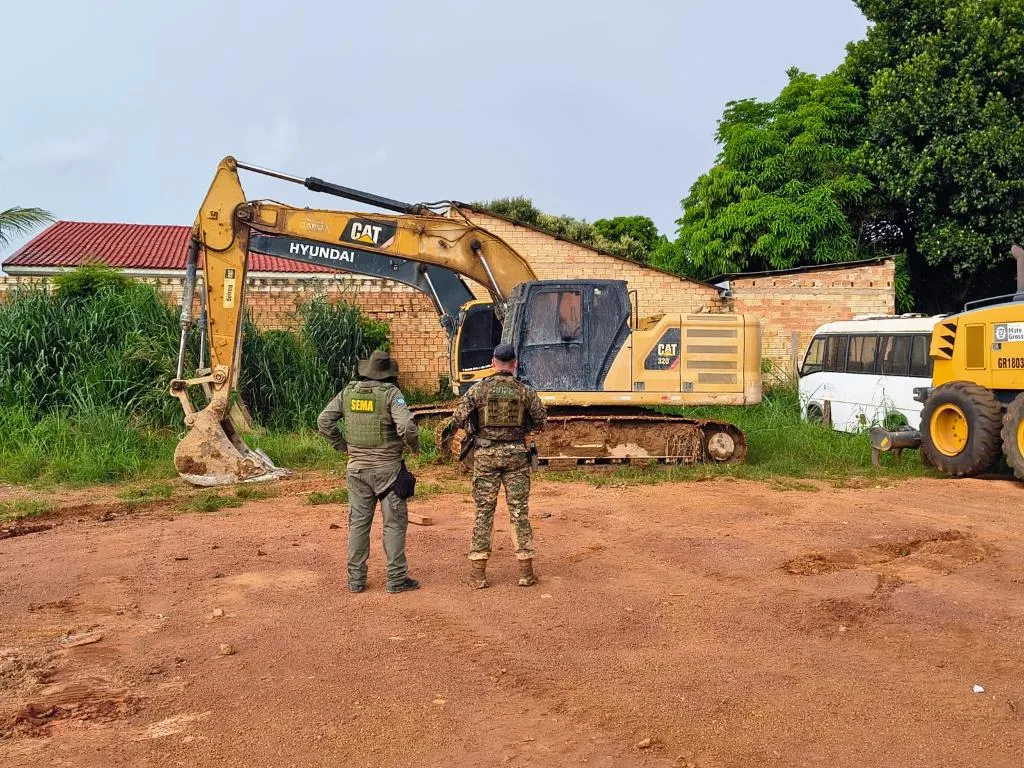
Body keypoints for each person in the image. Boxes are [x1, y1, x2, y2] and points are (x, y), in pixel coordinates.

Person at [317, 349, 421, 594]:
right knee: (393, 524)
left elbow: (324, 421)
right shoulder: (391, 394)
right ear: (388, 374)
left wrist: (343, 446)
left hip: (357, 470)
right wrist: (414, 447)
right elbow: (406, 425)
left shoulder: (349, 392)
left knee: (358, 525)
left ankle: (356, 580)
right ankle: (396, 579)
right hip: (389, 471)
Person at [451, 342, 547, 589]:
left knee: (484, 512)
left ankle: (478, 576)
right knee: (518, 513)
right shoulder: (525, 391)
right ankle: (526, 573)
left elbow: (458, 418)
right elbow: (541, 421)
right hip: (516, 455)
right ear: (514, 364)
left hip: (485, 456)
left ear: (493, 363)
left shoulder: (478, 390)